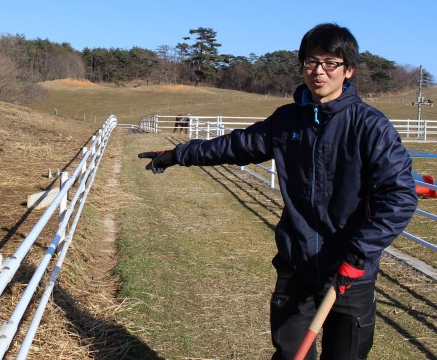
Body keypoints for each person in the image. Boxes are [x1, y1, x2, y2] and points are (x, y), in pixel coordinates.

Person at [138, 23, 417, 360]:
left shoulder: (370, 126)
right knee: (289, 354)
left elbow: (400, 197)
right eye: (311, 62)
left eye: (331, 63)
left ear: (349, 70)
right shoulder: (288, 121)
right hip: (296, 264)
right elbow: (237, 145)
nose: (319, 71)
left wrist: (359, 253)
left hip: (348, 272)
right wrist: (177, 154)